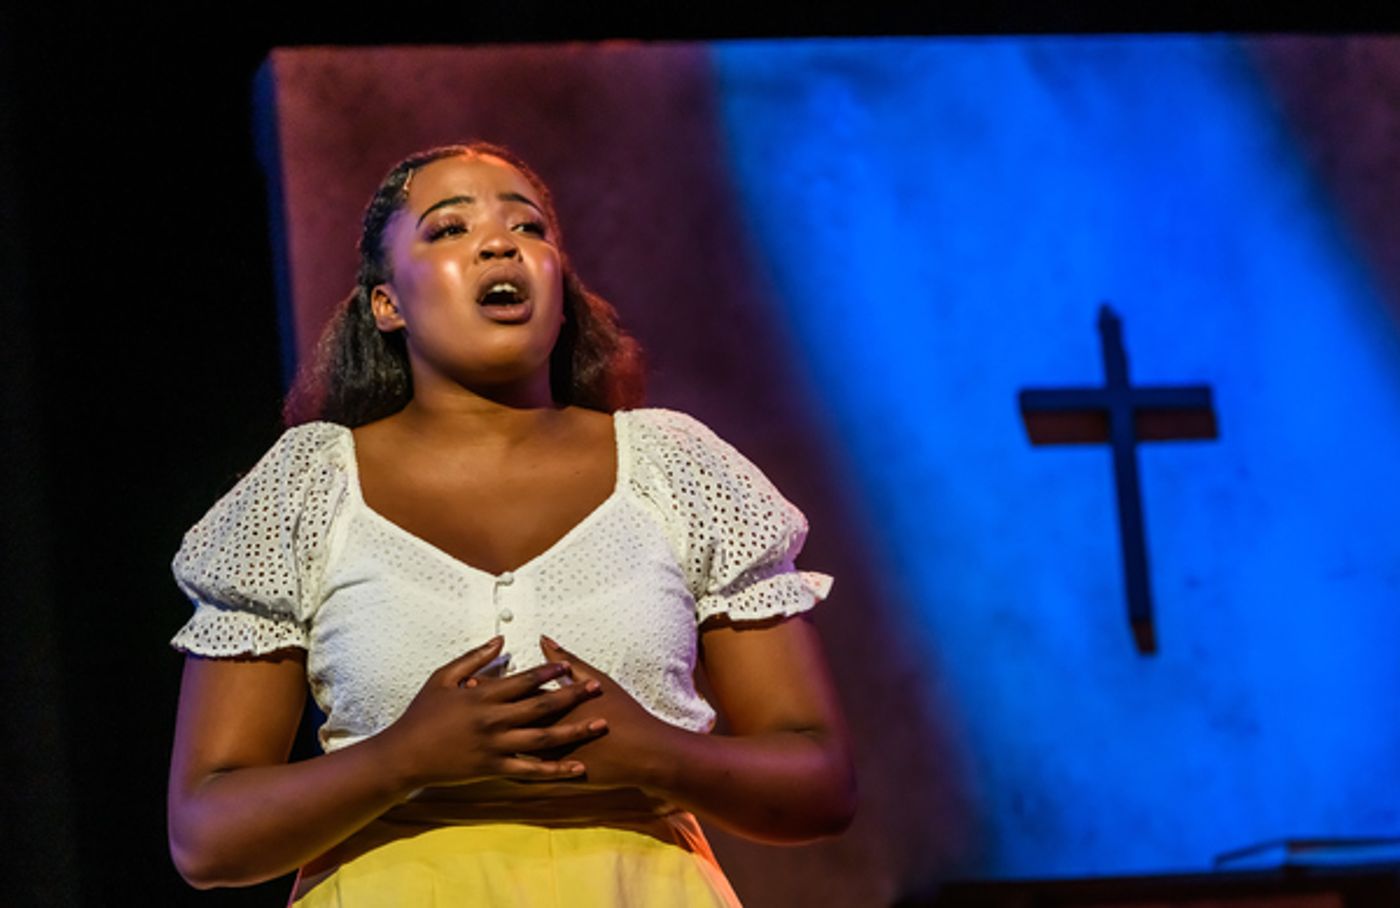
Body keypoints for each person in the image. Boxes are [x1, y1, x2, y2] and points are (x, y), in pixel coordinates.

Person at [166, 141, 855, 906]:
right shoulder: (307, 486)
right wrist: (405, 760)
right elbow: (206, 836)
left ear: (561, 289)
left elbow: (819, 784)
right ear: (386, 303)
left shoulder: (676, 466)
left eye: (527, 228)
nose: (499, 242)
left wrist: (656, 755)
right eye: (448, 229)